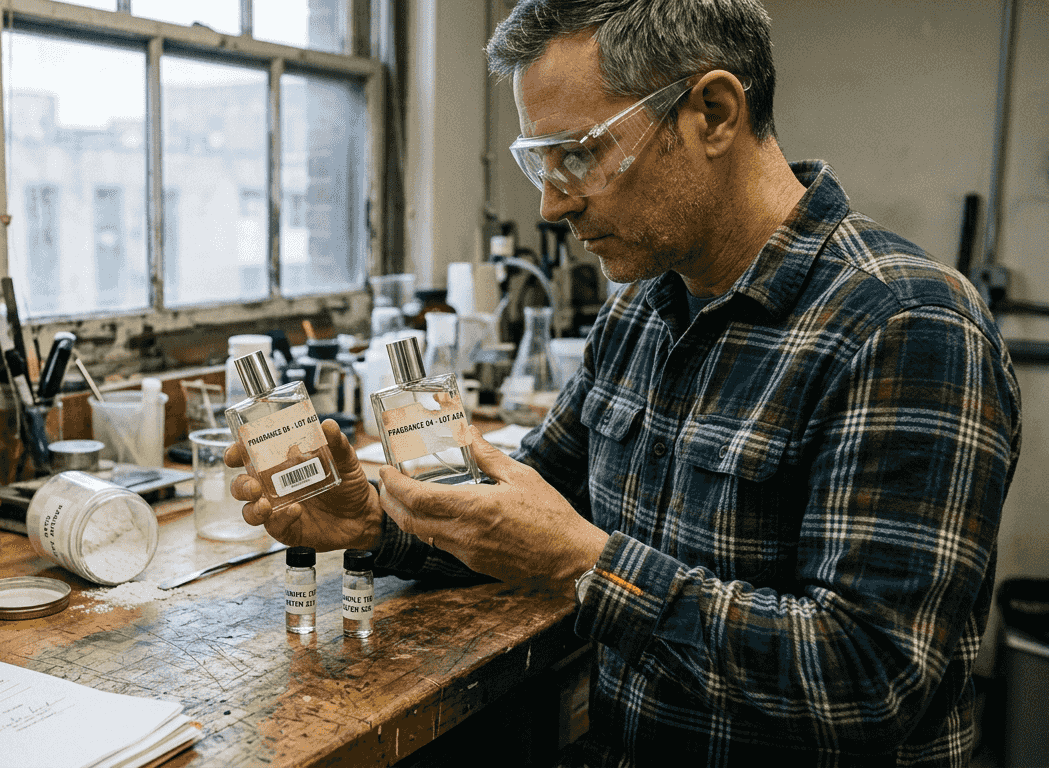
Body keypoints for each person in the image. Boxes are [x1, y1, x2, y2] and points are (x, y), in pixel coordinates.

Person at [227, 0, 1021, 764]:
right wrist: (377, 523)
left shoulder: (907, 324)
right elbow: (530, 513)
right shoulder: (642, 308)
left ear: (712, 112)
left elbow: (870, 684)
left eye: (577, 153)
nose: (550, 202)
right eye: (538, 161)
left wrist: (584, 565)